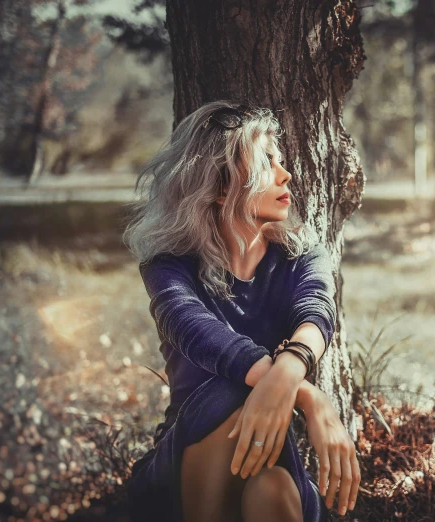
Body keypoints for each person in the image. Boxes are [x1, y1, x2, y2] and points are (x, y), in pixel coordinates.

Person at [122, 100, 360, 522]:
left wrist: (290, 368)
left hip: (273, 455)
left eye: (281, 160)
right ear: (218, 186)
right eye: (267, 163)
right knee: (229, 391)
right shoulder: (168, 267)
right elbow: (196, 331)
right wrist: (308, 396)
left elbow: (317, 312)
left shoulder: (302, 256)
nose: (286, 174)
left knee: (272, 490)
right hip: (184, 462)